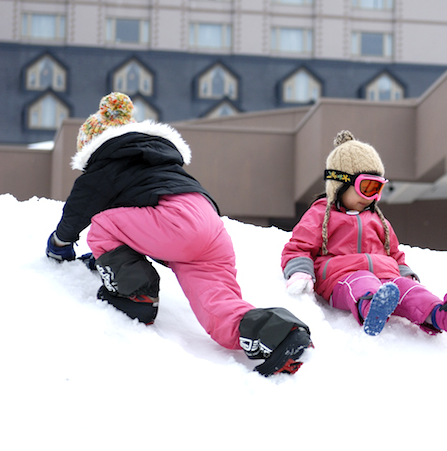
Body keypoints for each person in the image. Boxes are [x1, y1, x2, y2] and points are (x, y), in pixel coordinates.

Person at [45, 92, 311, 376]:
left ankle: (136, 295)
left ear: (90, 146)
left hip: (176, 224)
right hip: (210, 229)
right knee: (217, 307)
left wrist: (60, 242)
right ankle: (278, 334)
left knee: (101, 224)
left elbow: (79, 210)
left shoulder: (105, 163)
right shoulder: (164, 161)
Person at [281, 130, 447, 342]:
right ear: (340, 183)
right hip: (342, 277)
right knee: (363, 280)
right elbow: (298, 247)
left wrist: (406, 276)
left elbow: (394, 254)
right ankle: (371, 307)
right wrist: (300, 273)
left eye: (378, 188)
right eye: (367, 187)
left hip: (387, 280)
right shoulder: (321, 215)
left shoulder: (378, 220)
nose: (373, 197)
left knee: (410, 291)